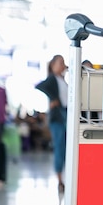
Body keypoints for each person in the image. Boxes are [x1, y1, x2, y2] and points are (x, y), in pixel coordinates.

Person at [36, 54, 68, 194]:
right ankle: (60, 180)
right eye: (60, 63)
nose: (62, 65)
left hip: (66, 115)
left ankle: (67, 177)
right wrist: (53, 99)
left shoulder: (63, 80)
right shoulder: (51, 79)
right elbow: (39, 86)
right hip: (57, 117)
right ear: (52, 65)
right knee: (59, 147)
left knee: (68, 148)